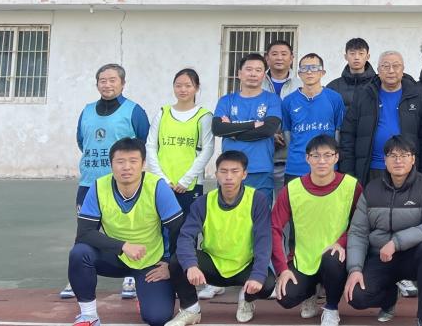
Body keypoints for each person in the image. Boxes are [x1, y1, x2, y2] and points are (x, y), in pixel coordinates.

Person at [67, 138, 182, 326]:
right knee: (80, 253)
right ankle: (89, 315)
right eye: (120, 161)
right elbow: (84, 233)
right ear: (111, 165)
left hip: (150, 261)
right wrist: (123, 246)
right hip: (115, 257)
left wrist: (170, 264)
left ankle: (144, 295)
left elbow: (178, 229)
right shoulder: (99, 187)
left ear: (143, 164)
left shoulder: (157, 187)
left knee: (158, 318)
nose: (126, 167)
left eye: (133, 161)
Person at [66, 63, 151, 300]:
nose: (107, 84)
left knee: (129, 227)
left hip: (123, 184)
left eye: (113, 80)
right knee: (85, 232)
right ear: (97, 84)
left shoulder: (134, 111)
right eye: (102, 80)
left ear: (123, 83)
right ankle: (77, 276)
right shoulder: (87, 111)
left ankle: (131, 275)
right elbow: (82, 141)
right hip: (89, 183)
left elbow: (143, 143)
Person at [345, 135, 422, 326]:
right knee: (356, 297)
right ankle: (389, 298)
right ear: (385, 160)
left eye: (404, 155)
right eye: (392, 156)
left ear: (413, 159)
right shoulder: (372, 189)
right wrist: (355, 269)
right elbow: (358, 232)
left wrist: (396, 242)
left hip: (413, 256)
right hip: (380, 257)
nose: (398, 160)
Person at [166, 151, 275, 326]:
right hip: (213, 265)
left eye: (235, 171)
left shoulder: (257, 200)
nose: (229, 177)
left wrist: (258, 275)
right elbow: (186, 236)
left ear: (244, 174)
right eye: (223, 171)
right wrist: (191, 265)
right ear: (216, 174)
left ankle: (247, 298)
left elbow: (264, 240)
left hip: (244, 265)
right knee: (178, 260)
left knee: (267, 283)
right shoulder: (203, 202)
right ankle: (191, 309)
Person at [270, 135, 363, 325]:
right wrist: (282, 269)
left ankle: (331, 308)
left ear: (336, 157)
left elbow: (361, 225)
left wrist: (341, 243)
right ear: (307, 158)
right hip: (304, 259)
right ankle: (310, 292)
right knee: (285, 297)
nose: (322, 161)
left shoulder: (351, 186)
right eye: (316, 156)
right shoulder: (292, 189)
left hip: (337, 258)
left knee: (332, 259)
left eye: (328, 155)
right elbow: (274, 228)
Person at [342, 50, 422, 182]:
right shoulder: (364, 96)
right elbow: (348, 135)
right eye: (385, 66)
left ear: (403, 69)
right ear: (378, 70)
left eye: (396, 66)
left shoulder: (417, 97)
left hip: (407, 170)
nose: (391, 70)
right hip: (371, 169)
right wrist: (349, 173)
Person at [213, 53, 284, 200]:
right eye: (249, 69)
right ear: (239, 73)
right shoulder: (226, 100)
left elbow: (267, 130)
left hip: (261, 169)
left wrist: (232, 131)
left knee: (259, 213)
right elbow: (218, 129)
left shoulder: (272, 99)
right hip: (230, 171)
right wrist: (252, 125)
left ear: (264, 75)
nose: (253, 74)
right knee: (228, 213)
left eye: (258, 70)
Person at [146, 68, 214, 215]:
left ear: (197, 88)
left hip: (191, 184)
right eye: (178, 85)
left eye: (188, 86)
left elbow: (208, 149)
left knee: (189, 225)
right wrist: (162, 178)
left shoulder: (204, 116)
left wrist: (186, 180)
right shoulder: (163, 113)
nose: (183, 89)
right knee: (161, 225)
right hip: (163, 183)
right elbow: (150, 146)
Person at [281, 52, 345, 183]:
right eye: (304, 68)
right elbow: (287, 132)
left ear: (322, 72)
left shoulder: (335, 98)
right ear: (299, 73)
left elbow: (338, 132)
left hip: (326, 166)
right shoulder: (288, 101)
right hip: (296, 167)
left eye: (314, 68)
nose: (309, 72)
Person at [265, 39, 297, 185]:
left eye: (284, 54)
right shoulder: (256, 84)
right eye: (274, 54)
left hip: (292, 158)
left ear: (291, 58)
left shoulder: (301, 85)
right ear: (267, 58)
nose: (279, 58)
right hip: (261, 155)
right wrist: (268, 134)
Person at [328, 38, 376, 116]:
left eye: (361, 53)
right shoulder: (333, 87)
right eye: (352, 53)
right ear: (346, 56)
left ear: (368, 56)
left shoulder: (378, 83)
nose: (356, 57)